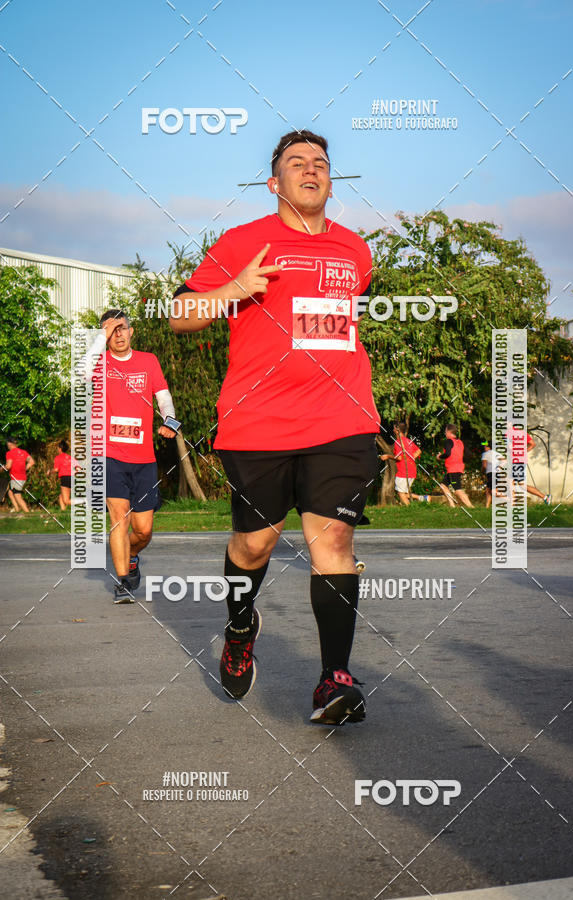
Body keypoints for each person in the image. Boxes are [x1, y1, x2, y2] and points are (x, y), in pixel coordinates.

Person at [170, 129, 380, 725]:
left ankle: (334, 678)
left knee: (334, 540)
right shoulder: (244, 240)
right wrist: (234, 290)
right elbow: (181, 314)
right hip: (257, 420)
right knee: (255, 543)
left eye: (320, 162)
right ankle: (240, 626)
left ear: (330, 181)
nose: (310, 170)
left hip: (341, 417)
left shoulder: (355, 251)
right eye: (296, 163)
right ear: (275, 182)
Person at [86, 310, 179, 602]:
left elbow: (162, 395)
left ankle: (132, 555)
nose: (118, 334)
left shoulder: (148, 361)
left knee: (143, 530)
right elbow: (80, 373)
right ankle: (123, 582)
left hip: (143, 458)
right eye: (112, 330)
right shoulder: (99, 362)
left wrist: (170, 420)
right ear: (105, 335)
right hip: (108, 453)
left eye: (122, 327)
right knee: (119, 518)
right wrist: (100, 336)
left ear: (131, 331)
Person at [380, 422, 422, 506]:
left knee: (401, 494)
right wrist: (410, 458)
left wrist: (388, 456)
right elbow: (419, 451)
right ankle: (421, 498)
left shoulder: (398, 442)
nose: (393, 430)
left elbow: (399, 458)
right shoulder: (409, 441)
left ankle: (410, 509)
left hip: (403, 471)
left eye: (394, 428)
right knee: (403, 492)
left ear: (397, 430)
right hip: (412, 470)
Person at [507, 426, 551, 504]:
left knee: (519, 484)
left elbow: (509, 447)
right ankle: (512, 504)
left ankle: (545, 497)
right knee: (512, 482)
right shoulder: (522, 433)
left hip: (516, 461)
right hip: (520, 461)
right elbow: (533, 444)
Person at [436, 424, 473, 508]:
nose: (445, 433)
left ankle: (471, 507)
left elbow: (448, 454)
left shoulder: (448, 441)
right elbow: (468, 455)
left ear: (449, 432)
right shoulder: (460, 442)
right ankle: (452, 505)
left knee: (457, 490)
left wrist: (439, 457)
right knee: (443, 485)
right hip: (458, 468)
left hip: (453, 469)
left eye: (445, 431)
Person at [5, 437, 34, 513]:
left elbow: (8, 466)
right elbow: (32, 462)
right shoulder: (23, 452)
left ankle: (27, 513)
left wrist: (1, 469)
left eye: (7, 444)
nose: (7, 445)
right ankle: (17, 509)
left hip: (16, 477)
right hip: (22, 477)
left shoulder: (9, 453)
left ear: (10, 444)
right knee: (10, 492)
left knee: (17, 496)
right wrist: (24, 469)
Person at [480, 440, 504, 508]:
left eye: (486, 445)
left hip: (490, 474)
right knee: (488, 490)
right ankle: (487, 506)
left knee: (493, 492)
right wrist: (499, 468)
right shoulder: (496, 453)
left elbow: (484, 466)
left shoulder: (485, 454)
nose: (484, 446)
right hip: (496, 473)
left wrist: (482, 472)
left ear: (489, 447)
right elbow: (504, 460)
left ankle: (509, 499)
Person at [52, 440, 74, 510]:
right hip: (72, 477)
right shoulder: (70, 457)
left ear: (60, 448)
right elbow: (78, 468)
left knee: (66, 501)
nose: (57, 449)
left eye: (57, 448)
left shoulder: (58, 457)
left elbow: (56, 470)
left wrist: (49, 471)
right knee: (61, 496)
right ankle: (63, 511)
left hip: (65, 478)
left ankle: (83, 502)